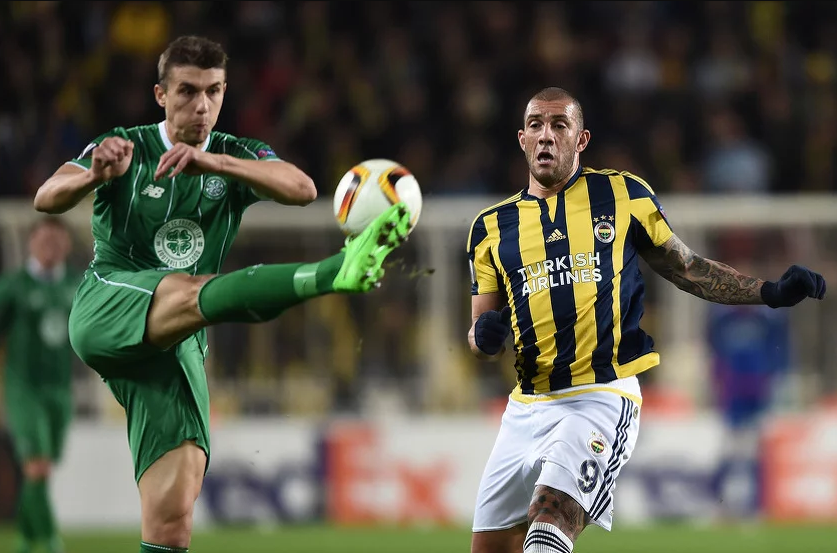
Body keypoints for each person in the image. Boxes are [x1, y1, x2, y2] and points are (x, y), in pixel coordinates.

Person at [32, 35, 412, 553]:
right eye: (187, 91)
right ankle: (330, 274)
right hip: (107, 306)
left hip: (176, 341)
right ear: (161, 95)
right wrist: (94, 174)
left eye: (213, 91)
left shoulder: (235, 153)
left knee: (173, 516)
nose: (202, 105)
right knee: (192, 290)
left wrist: (215, 164)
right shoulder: (125, 145)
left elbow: (301, 189)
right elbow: (47, 196)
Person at [465, 87, 826, 553]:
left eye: (559, 125)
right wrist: (484, 337)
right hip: (525, 406)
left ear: (581, 139)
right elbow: (478, 334)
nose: (546, 135)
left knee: (549, 520)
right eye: (536, 125)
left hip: (600, 397)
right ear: (522, 139)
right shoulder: (491, 227)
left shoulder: (622, 195)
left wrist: (770, 292)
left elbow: (688, 269)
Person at [0, 216, 80, 553]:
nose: (51, 247)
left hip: (60, 390)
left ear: (67, 246)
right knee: (37, 464)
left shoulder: (76, 286)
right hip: (24, 389)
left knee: (43, 469)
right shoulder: (13, 286)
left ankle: (25, 537)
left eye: (57, 241)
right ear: (31, 243)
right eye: (45, 240)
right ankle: (48, 540)